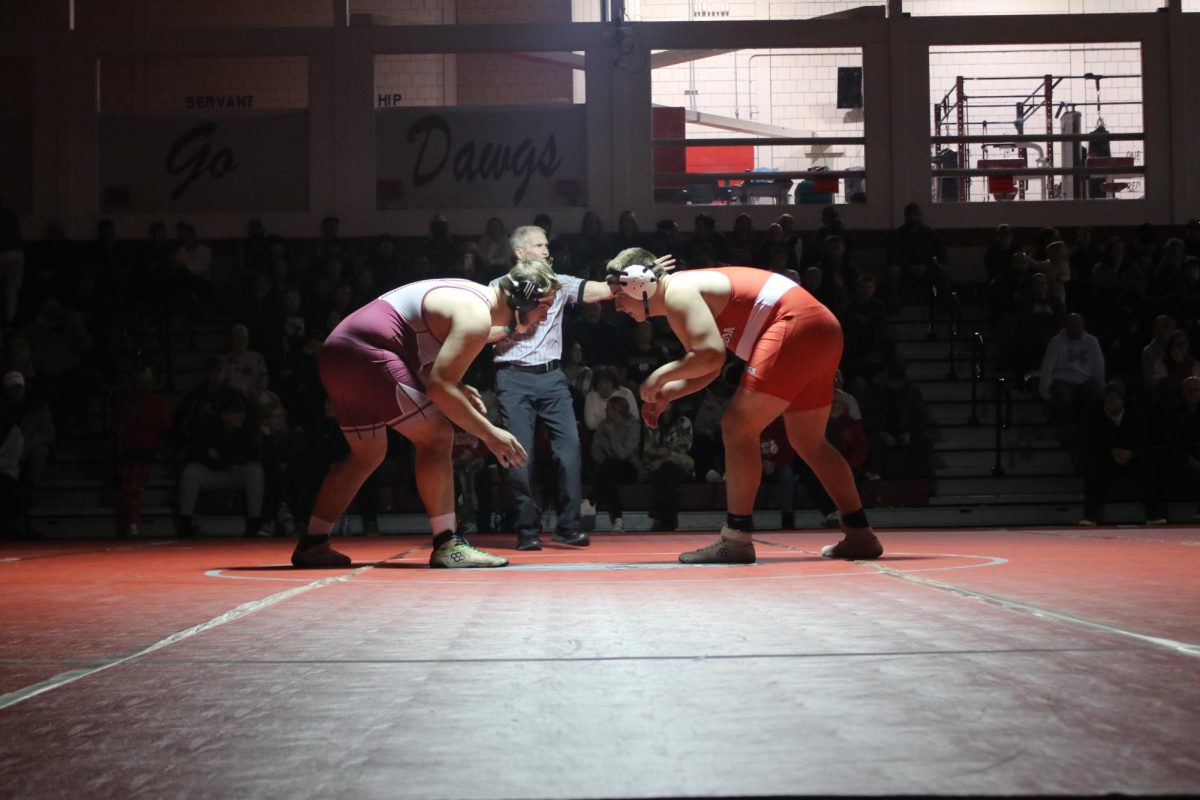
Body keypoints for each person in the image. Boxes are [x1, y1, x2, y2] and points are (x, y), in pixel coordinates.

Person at [605, 248, 883, 563]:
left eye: (618, 294)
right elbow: (707, 366)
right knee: (809, 441)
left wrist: (656, 378)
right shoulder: (680, 295)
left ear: (639, 284)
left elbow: (710, 354)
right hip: (820, 328)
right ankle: (860, 533)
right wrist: (670, 392)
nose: (616, 305)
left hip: (794, 326)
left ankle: (736, 538)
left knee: (737, 427)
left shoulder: (679, 292)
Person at [290, 260, 559, 568]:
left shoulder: (472, 299)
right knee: (438, 435)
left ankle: (313, 542)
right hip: (365, 354)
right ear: (524, 299)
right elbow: (439, 389)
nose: (546, 315)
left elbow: (423, 358)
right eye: (545, 306)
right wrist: (490, 433)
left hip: (339, 354)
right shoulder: (475, 316)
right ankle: (447, 544)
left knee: (368, 453)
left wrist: (454, 385)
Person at [488, 225, 624, 551]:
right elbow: (482, 329)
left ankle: (569, 526)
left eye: (547, 245)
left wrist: (640, 275)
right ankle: (526, 529)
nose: (547, 251)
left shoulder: (559, 283)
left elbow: (602, 291)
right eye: (539, 246)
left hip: (552, 378)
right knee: (520, 455)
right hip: (512, 376)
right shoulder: (498, 287)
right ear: (521, 253)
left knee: (570, 449)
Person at [1080, 380, 1166, 526]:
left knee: (1149, 464)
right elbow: (1091, 442)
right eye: (1109, 397)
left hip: (1131, 459)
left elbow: (1144, 440)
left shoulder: (1135, 414)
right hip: (1106, 460)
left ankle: (1154, 514)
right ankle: (1090, 515)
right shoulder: (1094, 416)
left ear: (1122, 400)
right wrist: (1111, 451)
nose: (1111, 401)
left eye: (1115, 397)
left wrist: (1131, 453)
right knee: (1093, 467)